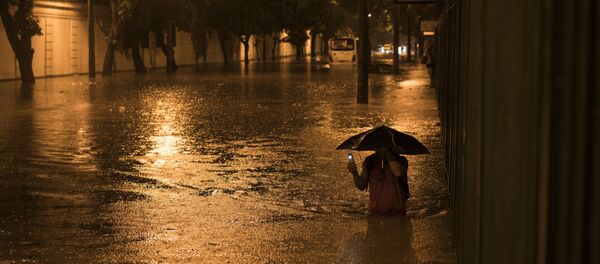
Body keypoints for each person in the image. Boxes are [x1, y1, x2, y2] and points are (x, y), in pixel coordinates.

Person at [347, 148, 410, 215]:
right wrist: (354, 173)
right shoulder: (369, 161)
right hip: (375, 214)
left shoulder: (401, 160)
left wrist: (387, 152)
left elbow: (397, 172)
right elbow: (362, 186)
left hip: (398, 214)